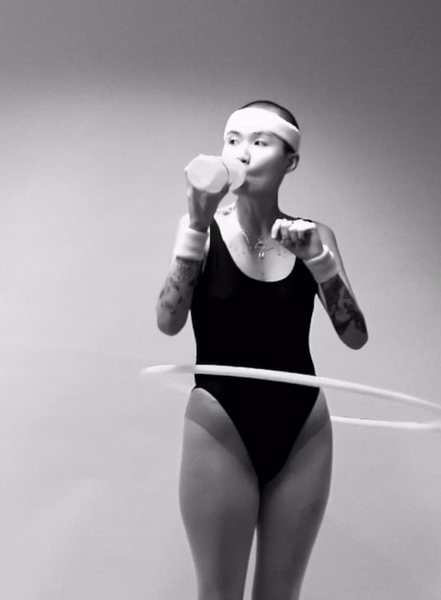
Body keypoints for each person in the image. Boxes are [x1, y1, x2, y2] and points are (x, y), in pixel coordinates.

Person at [156, 100, 368, 600]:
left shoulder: (315, 237)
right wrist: (195, 228)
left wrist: (318, 261)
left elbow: (354, 335)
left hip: (302, 428)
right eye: (233, 140)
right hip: (221, 422)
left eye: (259, 141)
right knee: (219, 593)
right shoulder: (202, 232)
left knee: (281, 594)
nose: (242, 153)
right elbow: (168, 321)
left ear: (289, 161)